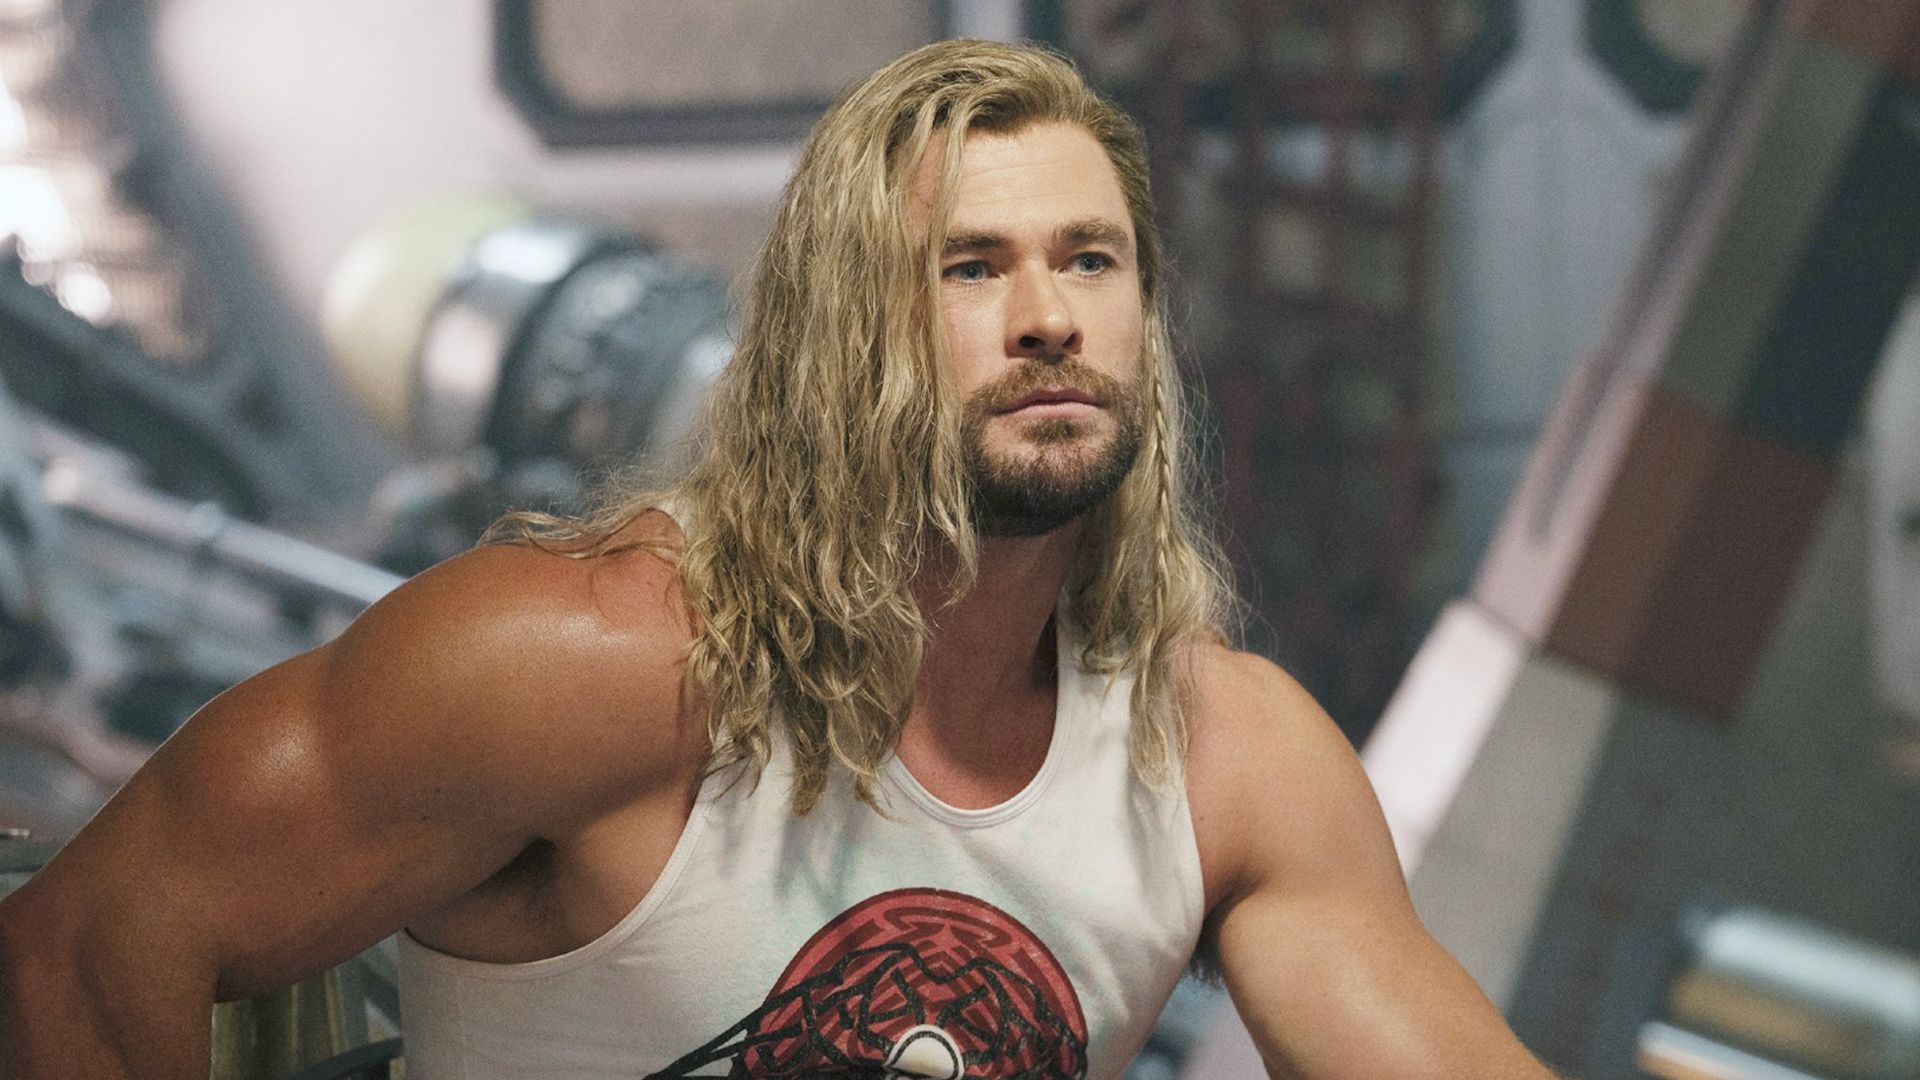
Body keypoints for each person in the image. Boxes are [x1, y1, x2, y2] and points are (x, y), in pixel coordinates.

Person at [0, 39, 1559, 1080]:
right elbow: (80, 952)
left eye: (1091, 260)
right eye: (971, 268)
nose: (1048, 317)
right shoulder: (583, 664)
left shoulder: (1225, 759)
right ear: (841, 334)